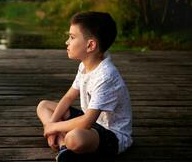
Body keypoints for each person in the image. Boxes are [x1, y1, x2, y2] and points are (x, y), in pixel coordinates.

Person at [36, 11, 133, 161]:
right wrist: (52, 125)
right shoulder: (84, 66)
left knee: (75, 138)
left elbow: (86, 122)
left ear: (90, 45)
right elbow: (68, 98)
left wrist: (52, 127)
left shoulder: (106, 76)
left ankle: (66, 142)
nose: (67, 42)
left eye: (72, 37)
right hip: (90, 122)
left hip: (111, 134)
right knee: (44, 106)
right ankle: (63, 147)